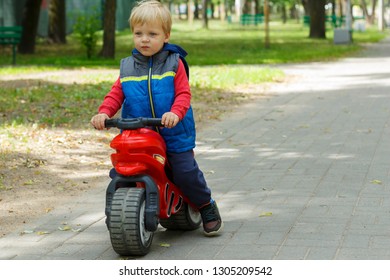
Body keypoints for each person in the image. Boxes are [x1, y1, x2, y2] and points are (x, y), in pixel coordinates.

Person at [90, 0, 223, 236]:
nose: (144, 39)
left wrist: (175, 113)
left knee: (184, 171)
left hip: (173, 133)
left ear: (166, 36)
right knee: (121, 172)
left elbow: (183, 93)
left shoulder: (174, 63)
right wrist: (104, 113)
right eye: (138, 33)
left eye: (152, 34)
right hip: (139, 135)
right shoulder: (128, 67)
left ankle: (205, 205)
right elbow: (116, 94)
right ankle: (121, 209)